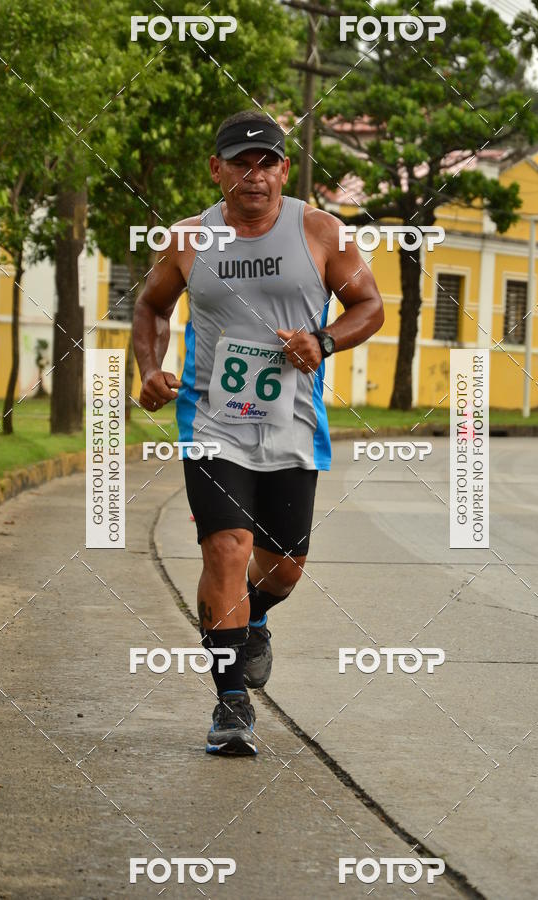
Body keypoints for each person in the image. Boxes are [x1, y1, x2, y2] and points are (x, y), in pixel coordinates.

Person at [133, 110, 383, 756]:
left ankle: (254, 620)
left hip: (293, 425)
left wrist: (323, 341)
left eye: (267, 161)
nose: (255, 175)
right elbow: (151, 305)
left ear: (284, 170)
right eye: (240, 162)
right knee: (227, 547)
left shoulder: (320, 231)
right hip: (213, 421)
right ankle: (231, 704)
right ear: (216, 170)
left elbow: (370, 306)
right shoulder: (189, 239)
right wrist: (150, 369)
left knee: (285, 567)